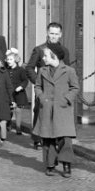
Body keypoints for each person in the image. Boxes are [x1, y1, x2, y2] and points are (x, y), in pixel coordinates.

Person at [32, 43, 79, 178]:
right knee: (47, 138)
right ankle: (50, 164)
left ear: (54, 56)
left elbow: (75, 88)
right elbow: (37, 86)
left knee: (65, 138)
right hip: (46, 109)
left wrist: (67, 99)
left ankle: (66, 164)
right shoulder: (42, 71)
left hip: (63, 109)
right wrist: (41, 97)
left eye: (46, 56)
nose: (44, 59)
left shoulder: (69, 71)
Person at [27, 22, 73, 148]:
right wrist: (38, 82)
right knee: (40, 111)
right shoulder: (39, 49)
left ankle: (57, 138)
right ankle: (38, 138)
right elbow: (29, 68)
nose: (53, 36)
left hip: (59, 90)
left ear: (61, 35)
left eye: (56, 34)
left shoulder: (64, 51)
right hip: (44, 89)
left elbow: (67, 69)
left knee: (58, 114)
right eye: (51, 33)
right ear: (47, 33)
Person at [4, 48, 31, 135]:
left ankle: (18, 128)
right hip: (8, 93)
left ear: (15, 60)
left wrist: (21, 87)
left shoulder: (21, 70)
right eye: (7, 59)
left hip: (18, 92)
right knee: (9, 110)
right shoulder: (5, 70)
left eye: (11, 59)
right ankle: (8, 122)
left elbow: (25, 80)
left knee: (18, 110)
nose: (8, 61)